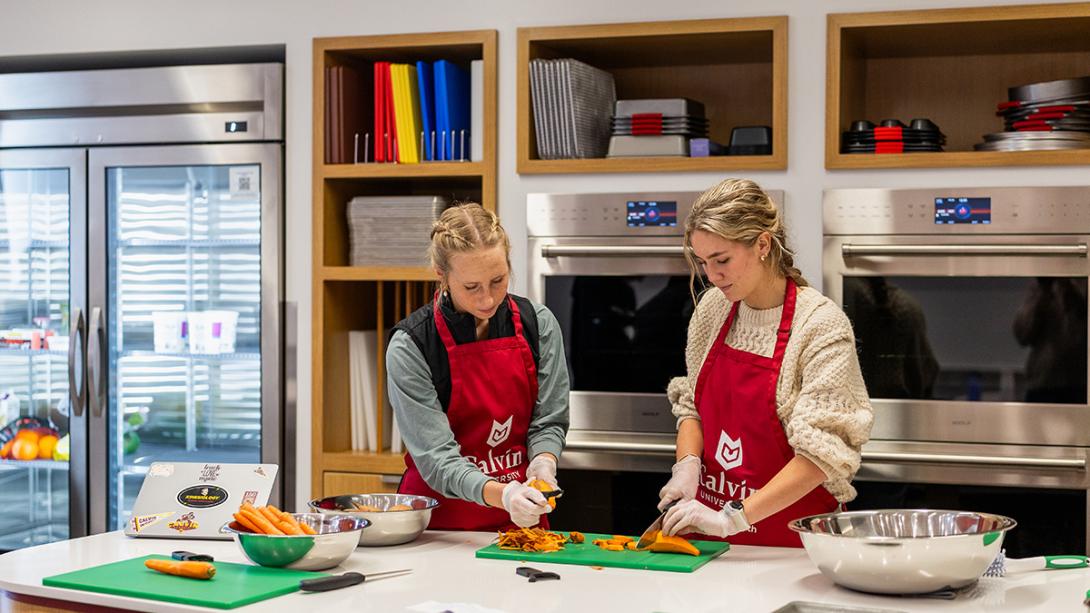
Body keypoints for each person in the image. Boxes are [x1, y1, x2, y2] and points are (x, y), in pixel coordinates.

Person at [658, 179, 874, 547]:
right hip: (710, 540)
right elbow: (693, 406)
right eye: (703, 262)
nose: (711, 276)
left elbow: (822, 455)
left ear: (762, 244)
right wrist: (688, 465)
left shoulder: (820, 325)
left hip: (793, 545)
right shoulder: (713, 310)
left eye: (722, 260)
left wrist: (733, 518)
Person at [386, 202, 570, 531]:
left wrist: (544, 460)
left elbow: (548, 420)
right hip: (440, 529)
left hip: (521, 521)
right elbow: (436, 459)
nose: (487, 299)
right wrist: (504, 494)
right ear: (441, 275)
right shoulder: (412, 345)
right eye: (472, 287)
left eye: (498, 280)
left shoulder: (538, 325)